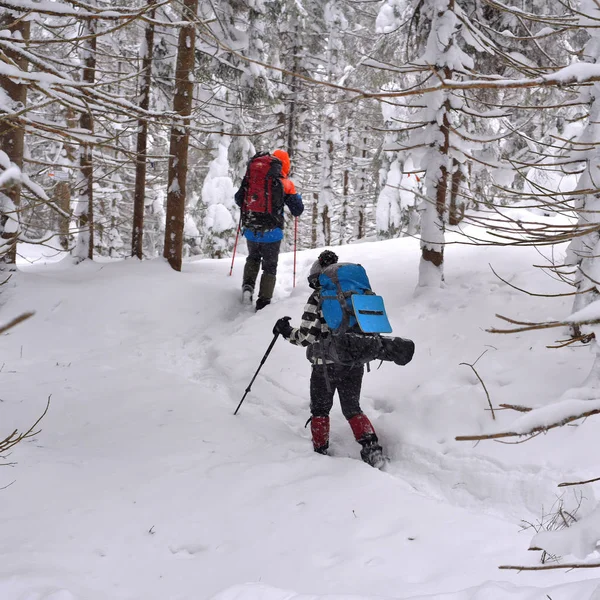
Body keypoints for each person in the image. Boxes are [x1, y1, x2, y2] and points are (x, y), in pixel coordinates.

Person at [272, 250, 385, 468]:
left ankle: (320, 452)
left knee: (320, 410)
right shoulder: (358, 293)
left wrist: (285, 331)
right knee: (352, 408)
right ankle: (373, 450)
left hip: (325, 366)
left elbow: (306, 337)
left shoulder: (319, 296)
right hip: (355, 360)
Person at [234, 149, 304, 311]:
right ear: (284, 165)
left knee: (253, 258)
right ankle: (263, 302)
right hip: (272, 232)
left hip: (251, 228)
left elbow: (239, 199)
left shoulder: (253, 177)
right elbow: (297, 210)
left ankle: (247, 287)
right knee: (270, 266)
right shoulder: (286, 183)